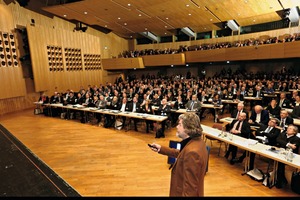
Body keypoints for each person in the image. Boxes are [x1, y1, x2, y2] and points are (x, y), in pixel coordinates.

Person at [148, 112, 208, 197]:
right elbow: (182, 155)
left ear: (188, 128)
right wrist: (161, 149)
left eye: (179, 125)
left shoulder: (192, 153)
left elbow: (190, 189)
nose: (176, 127)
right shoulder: (196, 142)